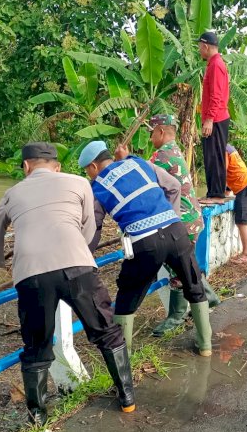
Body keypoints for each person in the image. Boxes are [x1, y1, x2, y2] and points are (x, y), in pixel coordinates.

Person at [0, 143, 136, 424]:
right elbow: (89, 226)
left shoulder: (12, 192)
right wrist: (79, 249)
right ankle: (127, 397)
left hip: (32, 274)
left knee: (37, 344)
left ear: (26, 167)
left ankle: (38, 416)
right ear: (57, 166)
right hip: (77, 265)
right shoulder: (80, 182)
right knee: (106, 331)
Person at [78, 141, 213, 357]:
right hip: (176, 232)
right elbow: (174, 186)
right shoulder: (140, 163)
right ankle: (206, 347)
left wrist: (86, 255)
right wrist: (171, 217)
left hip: (144, 241)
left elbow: (95, 226)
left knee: (126, 298)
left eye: (88, 170)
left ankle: (125, 358)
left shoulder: (97, 187)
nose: (89, 174)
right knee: (193, 283)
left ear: (93, 166)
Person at [144, 114, 221, 337]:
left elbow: (140, 176)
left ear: (160, 132)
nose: (150, 138)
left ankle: (176, 316)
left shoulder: (161, 155)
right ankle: (209, 296)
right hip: (191, 218)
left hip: (182, 222)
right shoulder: (175, 150)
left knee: (177, 268)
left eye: (151, 133)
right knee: (185, 264)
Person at [198, 31, 230, 204]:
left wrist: (209, 119)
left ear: (205, 46)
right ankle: (212, 192)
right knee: (210, 155)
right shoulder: (214, 64)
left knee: (215, 156)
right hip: (215, 117)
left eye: (199, 47)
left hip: (216, 118)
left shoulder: (216, 64)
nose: (198, 50)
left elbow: (217, 95)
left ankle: (217, 194)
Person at [225, 144, 247, 263]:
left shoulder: (223, 150)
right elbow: (232, 170)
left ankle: (246, 254)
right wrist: (228, 189)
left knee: (242, 222)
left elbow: (223, 171)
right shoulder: (229, 147)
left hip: (243, 187)